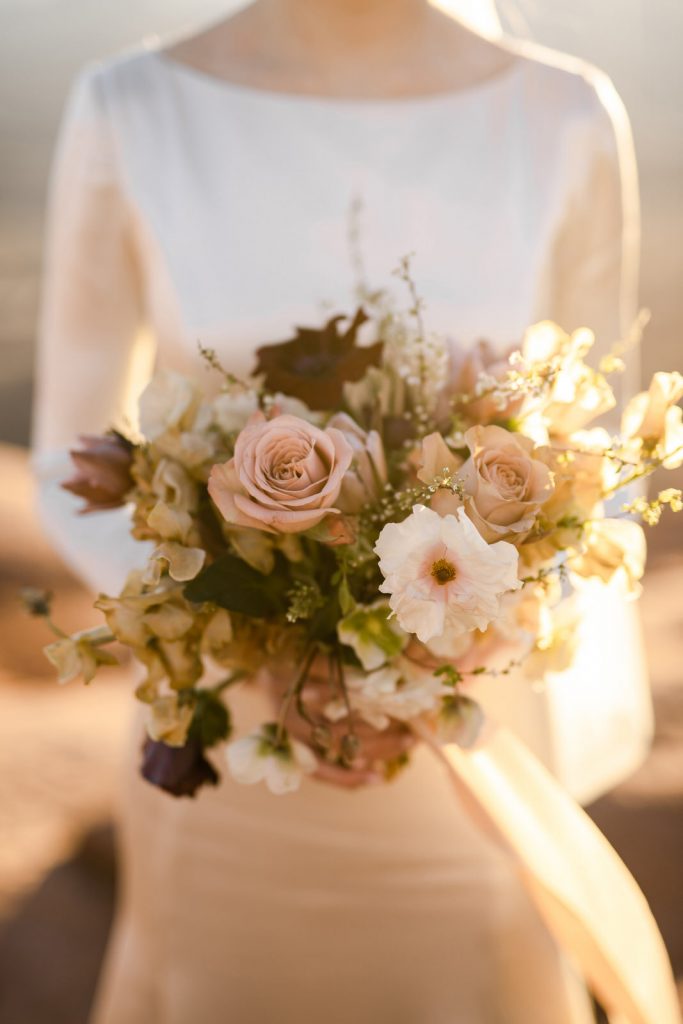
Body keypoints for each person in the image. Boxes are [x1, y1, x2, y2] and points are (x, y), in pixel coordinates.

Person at [32, 2, 651, 1020]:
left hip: (465, 751)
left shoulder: (563, 114)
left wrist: (421, 656)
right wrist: (265, 636)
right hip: (229, 742)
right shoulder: (131, 106)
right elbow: (70, 455)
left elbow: (601, 462)